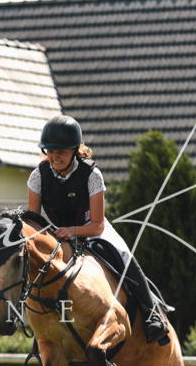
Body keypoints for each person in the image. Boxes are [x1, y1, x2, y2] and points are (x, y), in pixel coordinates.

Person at [27, 115, 170, 346]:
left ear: (75, 150)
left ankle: (152, 314)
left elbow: (98, 224)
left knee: (123, 254)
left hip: (92, 230)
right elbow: (33, 221)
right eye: (50, 151)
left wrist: (72, 231)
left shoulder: (92, 175)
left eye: (61, 151)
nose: (54, 156)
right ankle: (37, 343)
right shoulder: (37, 176)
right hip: (58, 234)